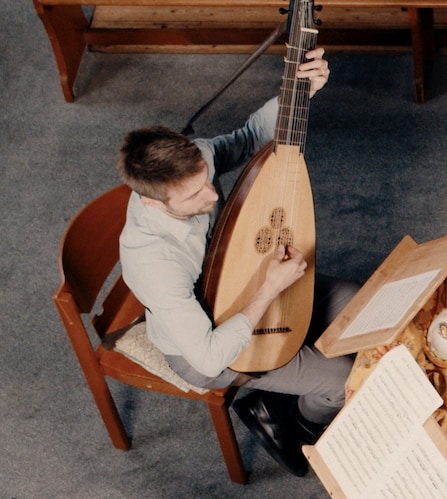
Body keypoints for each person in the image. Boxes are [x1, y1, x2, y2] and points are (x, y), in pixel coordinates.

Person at [117, 48, 357, 477]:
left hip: (241, 273)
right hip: (204, 343)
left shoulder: (195, 159)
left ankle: (273, 396)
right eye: (194, 197)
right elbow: (208, 357)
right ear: (152, 203)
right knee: (340, 382)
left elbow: (249, 138)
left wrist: (298, 95)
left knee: (363, 306)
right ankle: (294, 431)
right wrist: (269, 288)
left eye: (207, 182)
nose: (212, 197)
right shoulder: (152, 261)